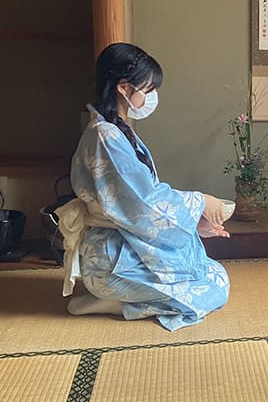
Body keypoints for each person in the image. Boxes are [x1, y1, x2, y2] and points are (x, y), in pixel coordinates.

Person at [56, 42, 230, 332]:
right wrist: (200, 201)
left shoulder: (113, 131)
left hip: (123, 246)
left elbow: (138, 206)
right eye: (149, 90)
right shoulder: (106, 137)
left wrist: (194, 226)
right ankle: (115, 302)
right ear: (124, 88)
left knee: (214, 274)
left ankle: (115, 299)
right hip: (110, 261)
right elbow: (144, 203)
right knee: (212, 287)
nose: (153, 97)